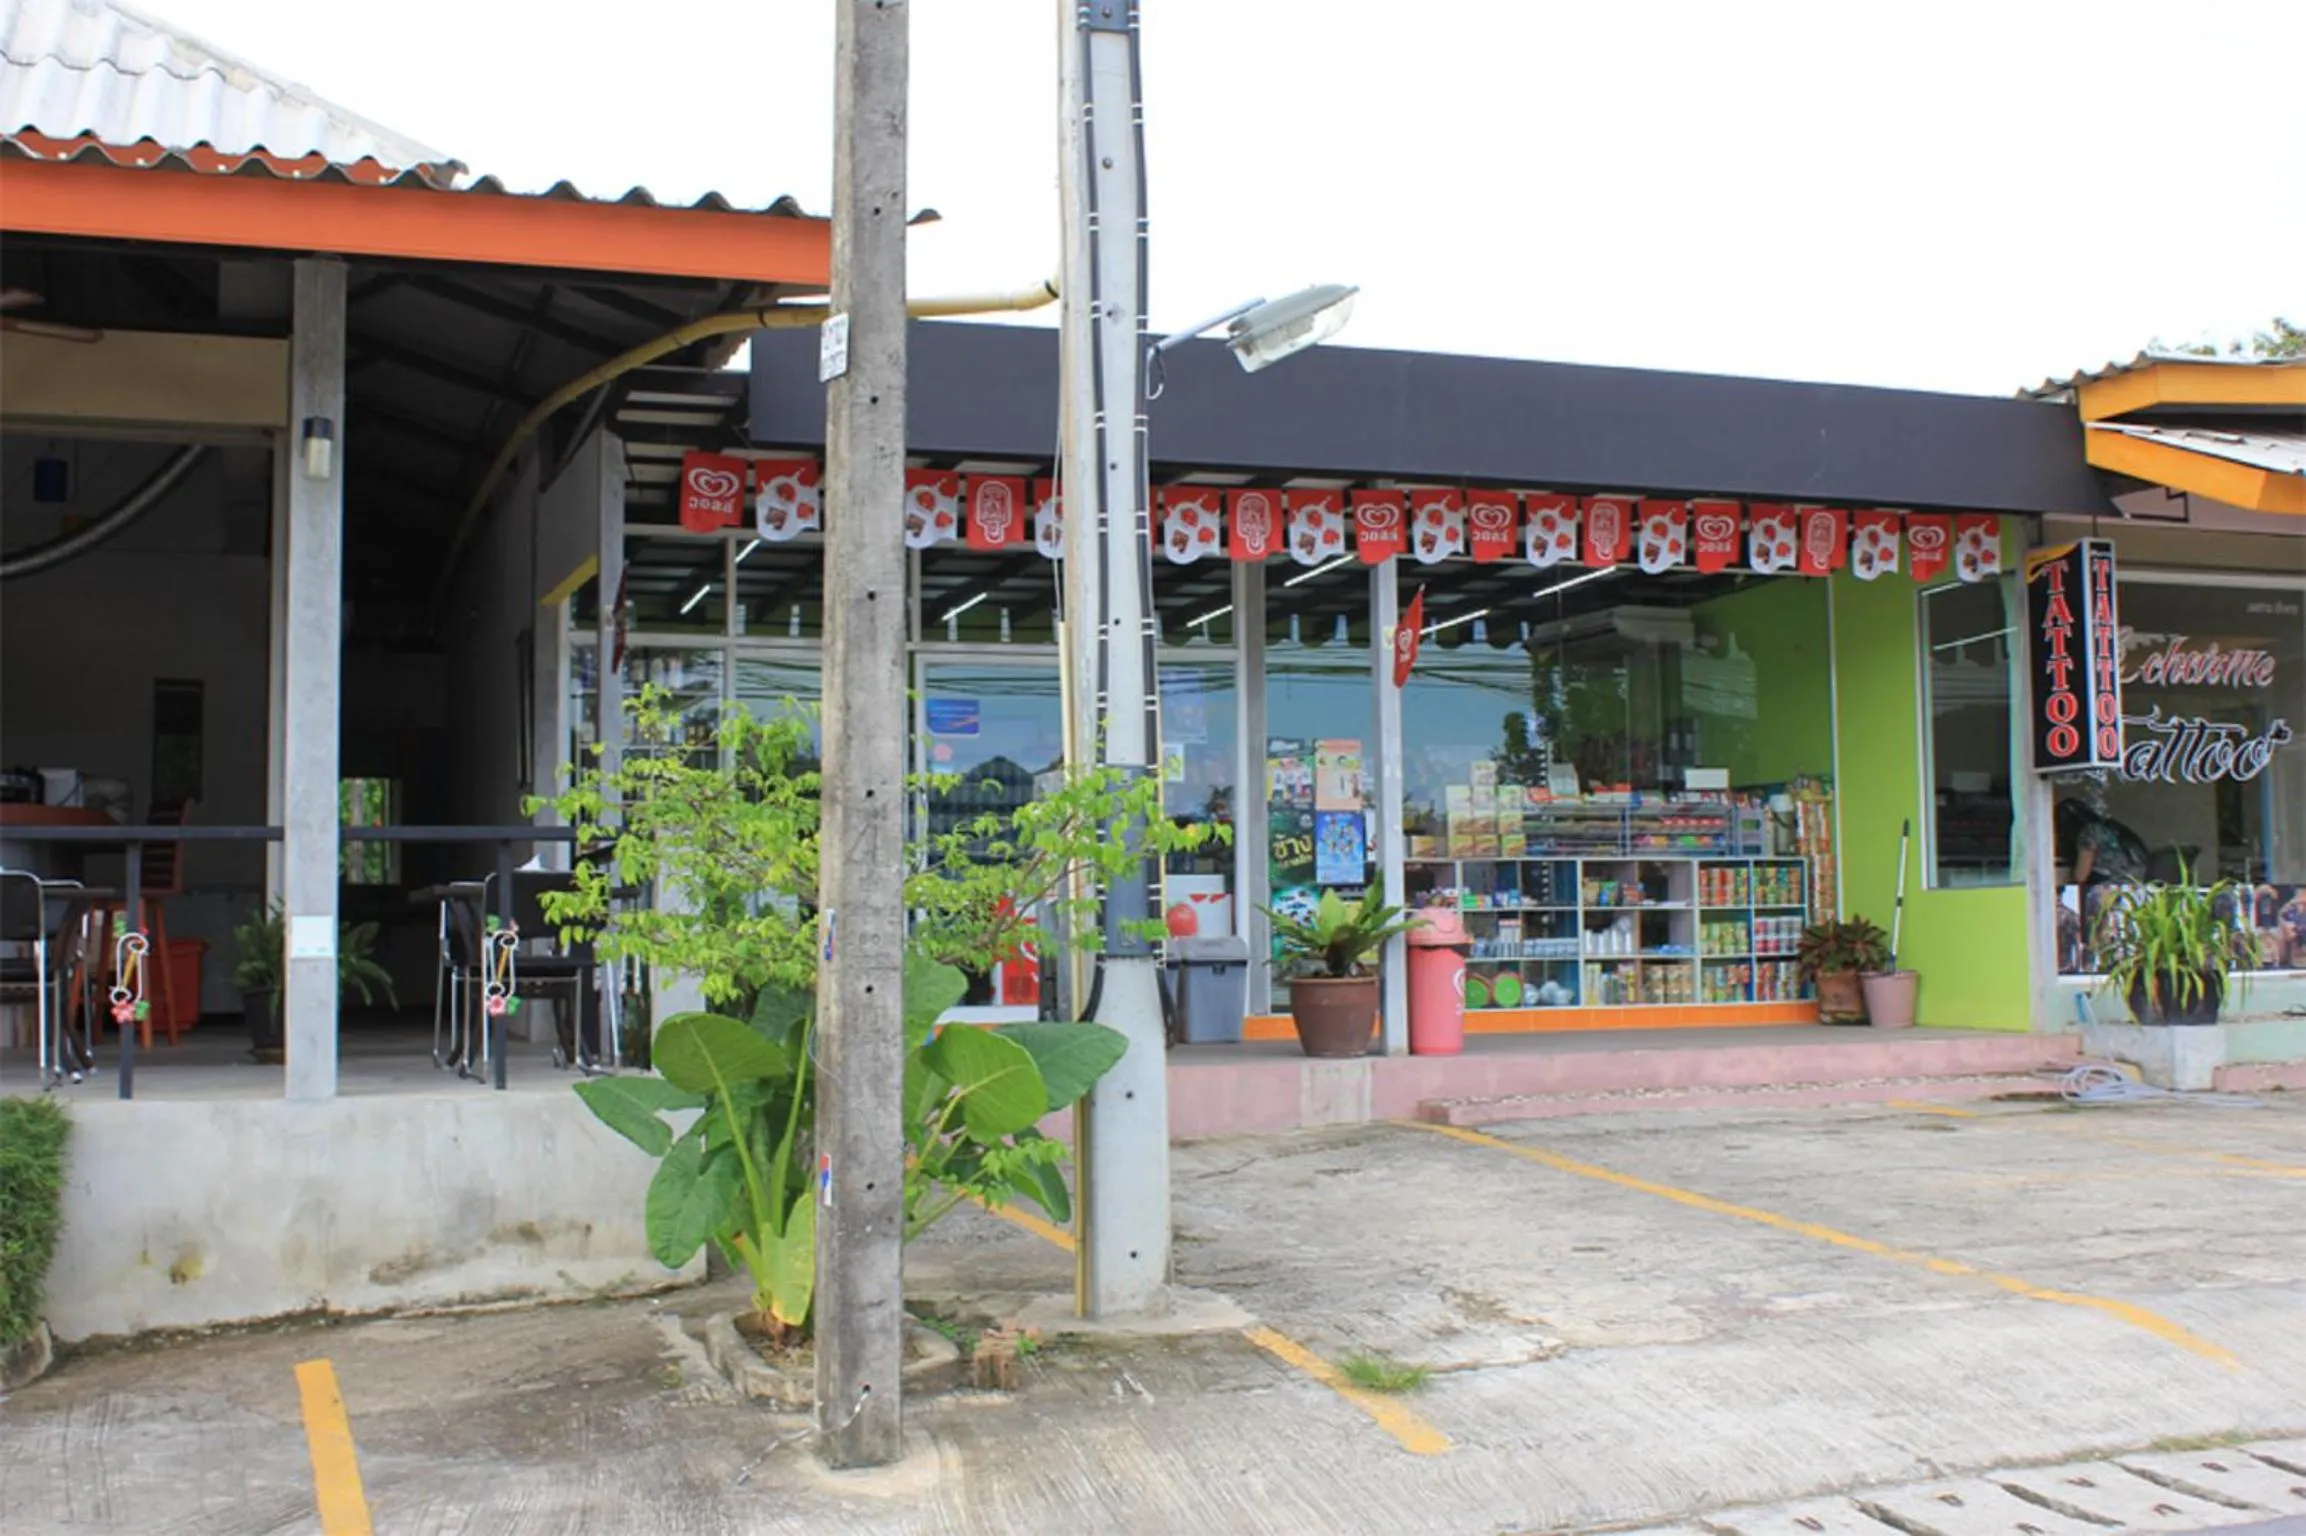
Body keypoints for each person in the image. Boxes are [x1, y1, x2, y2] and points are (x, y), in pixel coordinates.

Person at [2054, 797, 2148, 887]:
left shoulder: (2089, 832)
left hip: (2112, 886)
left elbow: (2081, 875)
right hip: (2137, 883)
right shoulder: (2110, 827)